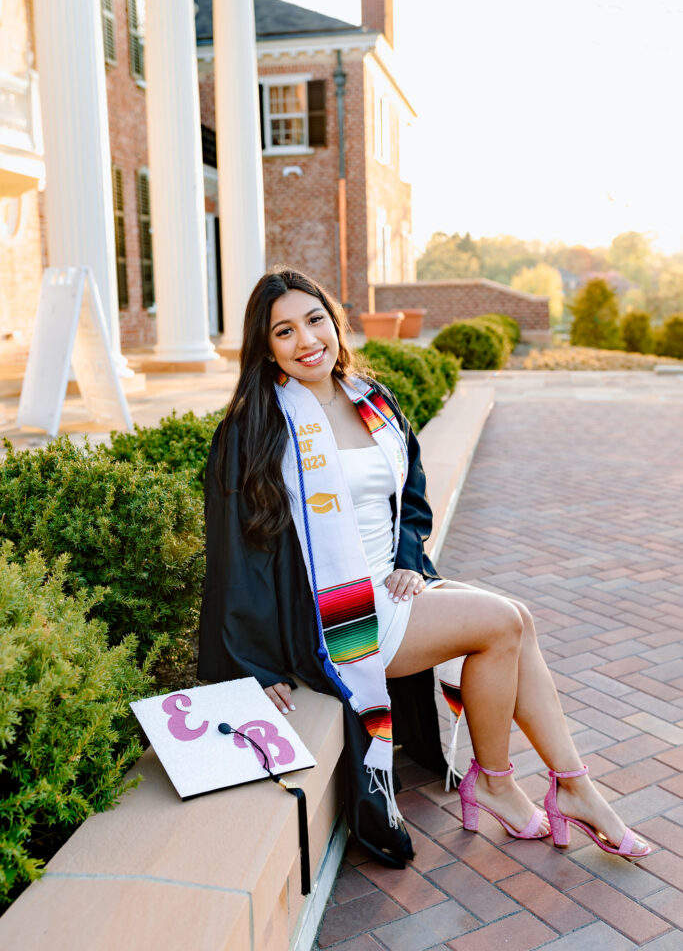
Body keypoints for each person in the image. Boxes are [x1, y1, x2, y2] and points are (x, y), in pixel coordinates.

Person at [198, 268, 649, 866]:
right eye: (285, 331)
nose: (307, 340)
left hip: (391, 587)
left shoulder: (372, 402)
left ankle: (554, 786)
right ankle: (518, 785)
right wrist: (251, 665)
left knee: (517, 621)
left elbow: (409, 499)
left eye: (315, 320)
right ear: (266, 346)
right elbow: (237, 554)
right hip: (333, 615)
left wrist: (410, 561)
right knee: (503, 623)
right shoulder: (256, 428)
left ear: (334, 322)